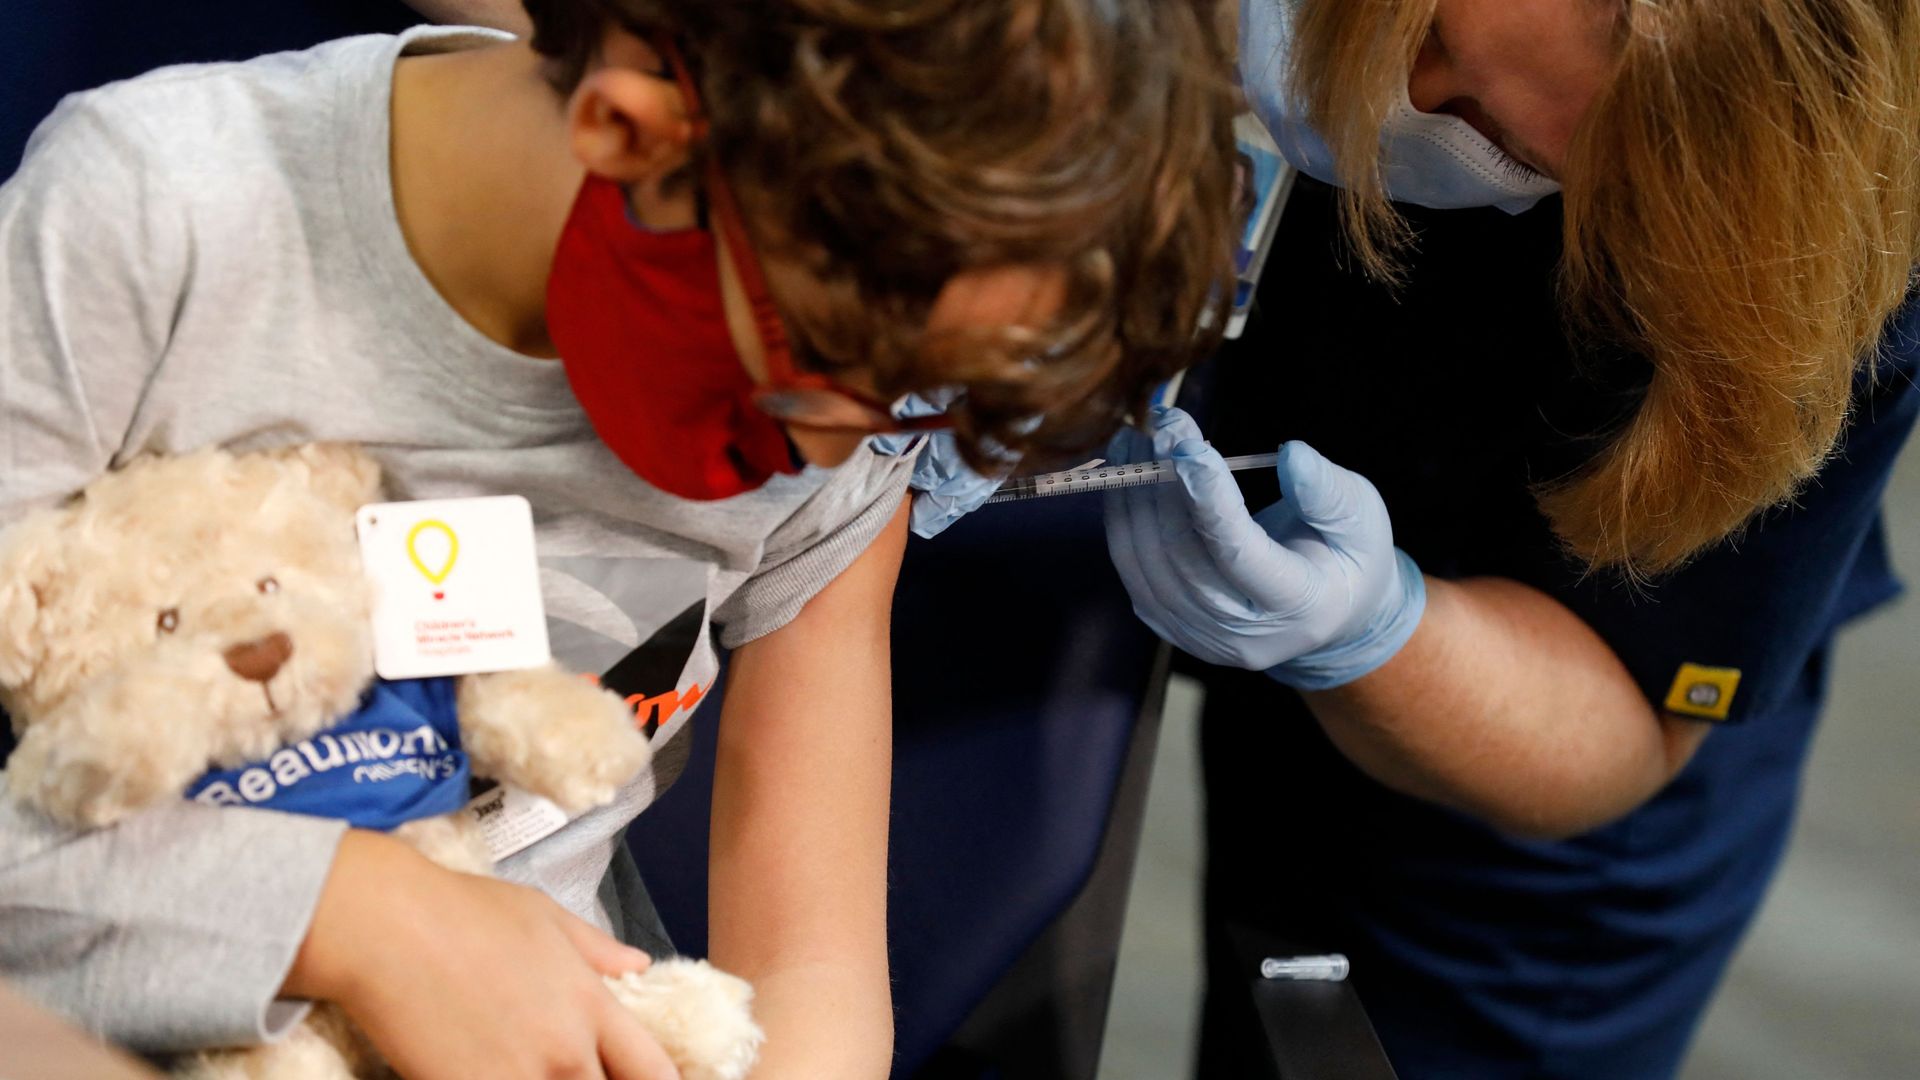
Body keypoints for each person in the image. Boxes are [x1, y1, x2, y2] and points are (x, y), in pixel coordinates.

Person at [0, 4, 1238, 1080]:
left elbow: (809, 974)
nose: (829, 461)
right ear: (630, 134)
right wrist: (359, 918)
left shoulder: (854, 425)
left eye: (912, 407)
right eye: (818, 384)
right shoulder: (157, 218)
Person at [1099, 0, 1920, 1076]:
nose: (1411, 104)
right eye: (1427, 36)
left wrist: (1372, 632)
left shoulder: (1807, 240)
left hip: (1527, 748)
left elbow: (1620, 719)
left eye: (1503, 146)